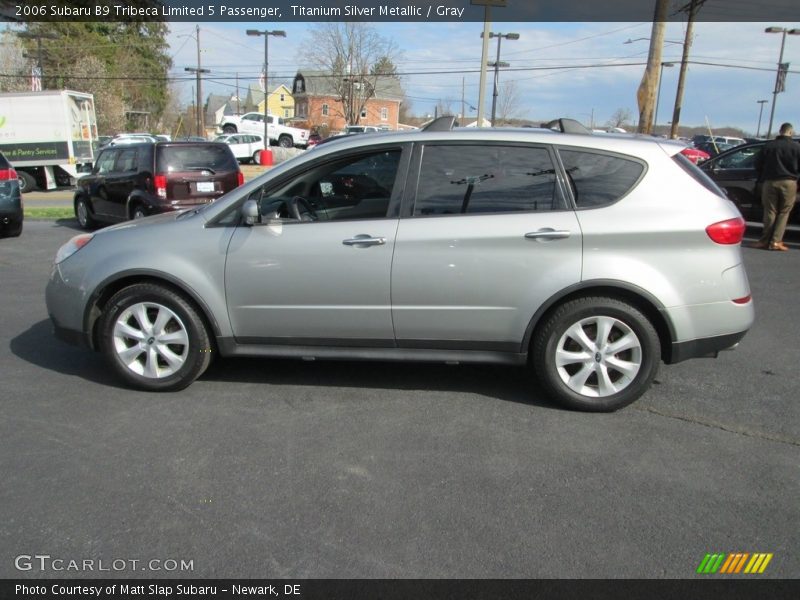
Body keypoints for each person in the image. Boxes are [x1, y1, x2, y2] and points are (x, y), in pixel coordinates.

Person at [751, 122, 800, 251]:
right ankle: (776, 241)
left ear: (780, 131)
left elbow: (757, 164)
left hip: (770, 181)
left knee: (769, 211)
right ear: (790, 132)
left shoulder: (769, 146)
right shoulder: (797, 147)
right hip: (789, 182)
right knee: (784, 212)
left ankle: (764, 240)